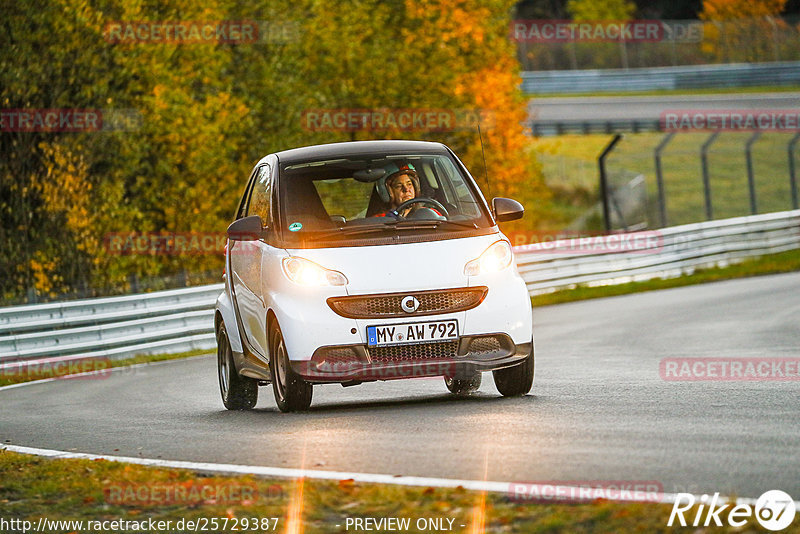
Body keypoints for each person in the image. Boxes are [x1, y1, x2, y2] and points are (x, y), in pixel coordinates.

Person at [372, 164, 441, 218]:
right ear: (387, 192)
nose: (406, 189)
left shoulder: (431, 214)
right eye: (399, 186)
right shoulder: (379, 221)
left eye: (409, 184)